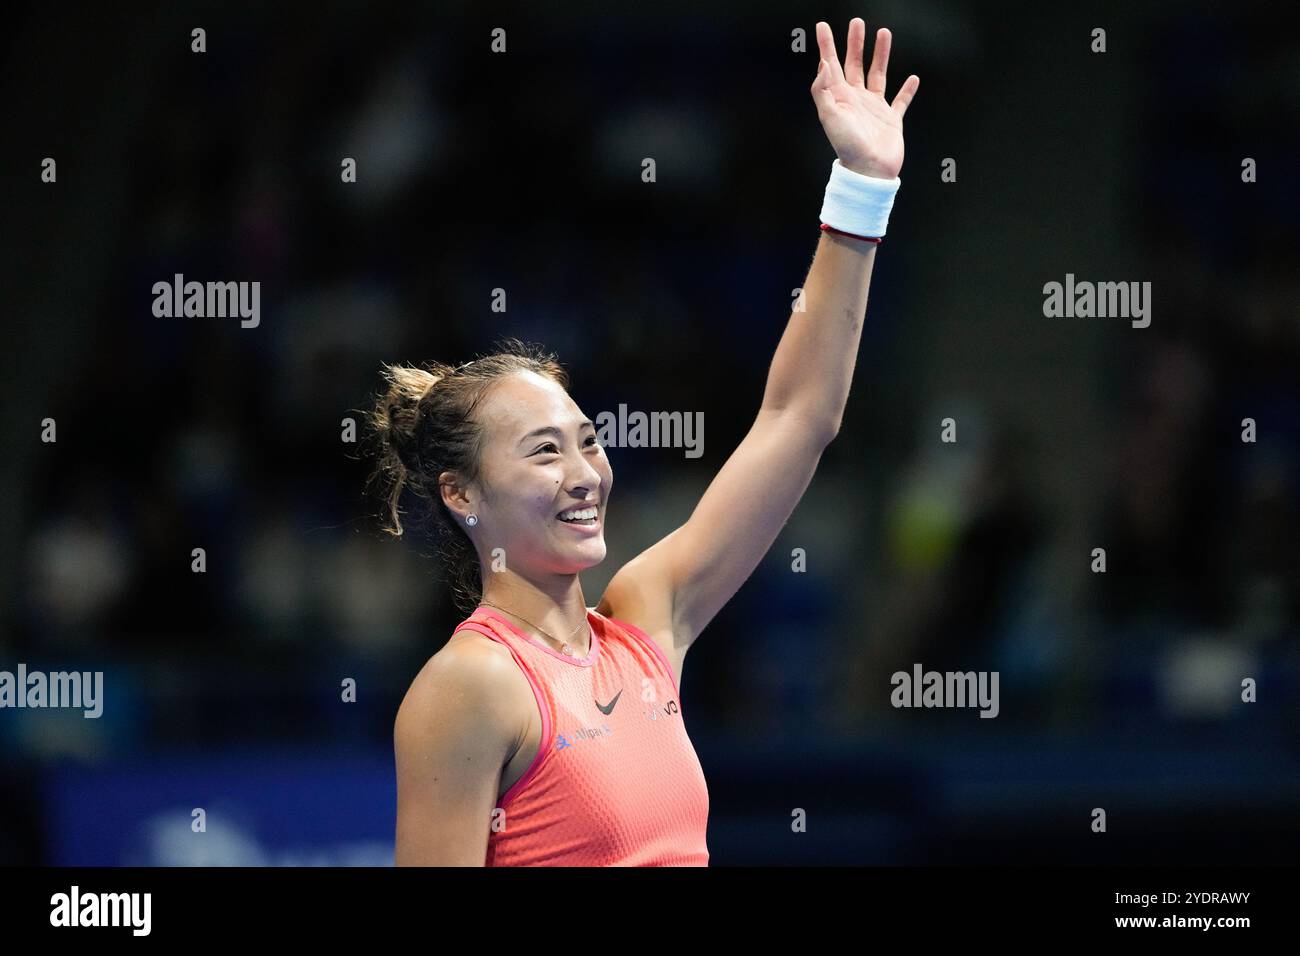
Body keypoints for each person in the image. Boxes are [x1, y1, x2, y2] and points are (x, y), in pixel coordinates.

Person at [377, 19, 919, 866]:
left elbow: (798, 417)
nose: (584, 472)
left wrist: (860, 190)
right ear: (461, 493)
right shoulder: (470, 688)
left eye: (587, 441)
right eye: (542, 451)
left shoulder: (645, 622)